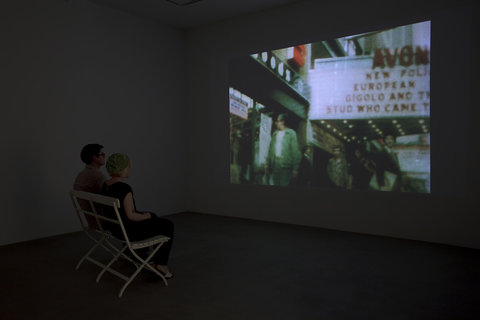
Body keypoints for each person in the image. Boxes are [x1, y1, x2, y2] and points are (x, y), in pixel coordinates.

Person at [102, 153, 174, 278]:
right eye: (128, 166)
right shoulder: (124, 188)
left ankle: (138, 253)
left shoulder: (106, 185)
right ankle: (161, 265)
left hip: (114, 228)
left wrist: (148, 215)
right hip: (128, 232)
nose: (130, 168)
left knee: (153, 216)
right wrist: (146, 216)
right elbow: (131, 216)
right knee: (167, 225)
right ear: (121, 168)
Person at [73, 144, 107, 228]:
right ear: (94, 158)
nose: (104, 156)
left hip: (92, 220)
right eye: (102, 154)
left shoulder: (81, 175)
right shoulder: (97, 176)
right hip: (104, 221)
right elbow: (110, 199)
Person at [266, 113, 301, 186]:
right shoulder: (275, 134)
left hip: (286, 164)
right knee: (275, 183)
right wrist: (267, 163)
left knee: (283, 184)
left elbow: (295, 151)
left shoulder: (291, 133)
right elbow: (270, 150)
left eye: (277, 121)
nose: (276, 123)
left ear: (282, 122)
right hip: (275, 163)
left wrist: (295, 168)